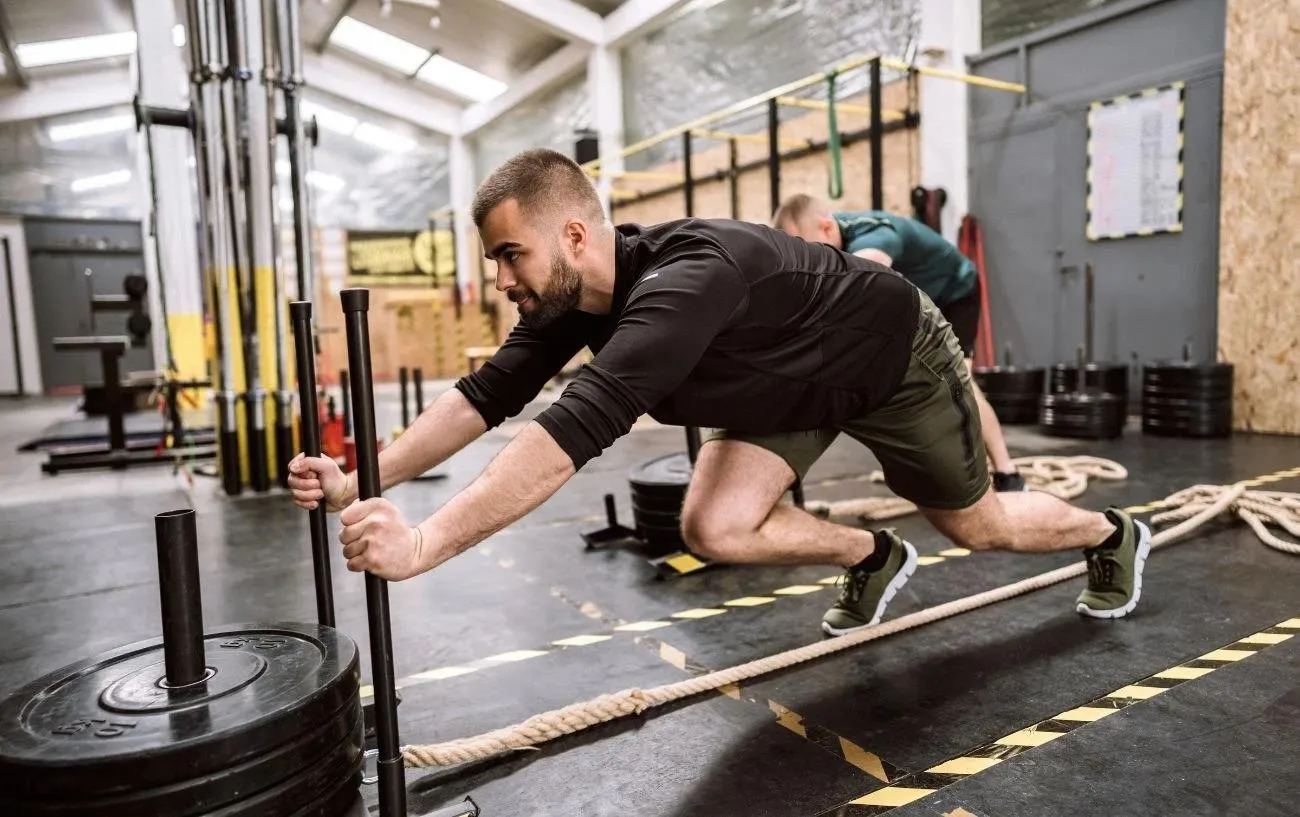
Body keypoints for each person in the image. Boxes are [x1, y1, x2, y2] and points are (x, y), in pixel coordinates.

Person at [288, 148, 1150, 637]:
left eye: (511, 255)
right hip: (789, 390)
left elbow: (570, 430)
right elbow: (479, 399)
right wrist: (363, 479)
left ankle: (1114, 533)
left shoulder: (686, 277)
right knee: (713, 526)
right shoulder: (567, 300)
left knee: (979, 524)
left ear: (575, 234)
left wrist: (425, 545)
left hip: (890, 357)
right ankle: (870, 556)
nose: (503, 277)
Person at [771, 195, 1025, 493]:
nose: (807, 260)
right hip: (920, 299)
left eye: (807, 249)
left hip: (955, 294)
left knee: (961, 384)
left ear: (826, 228)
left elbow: (859, 282)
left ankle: (1008, 472)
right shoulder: (833, 232)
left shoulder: (874, 235)